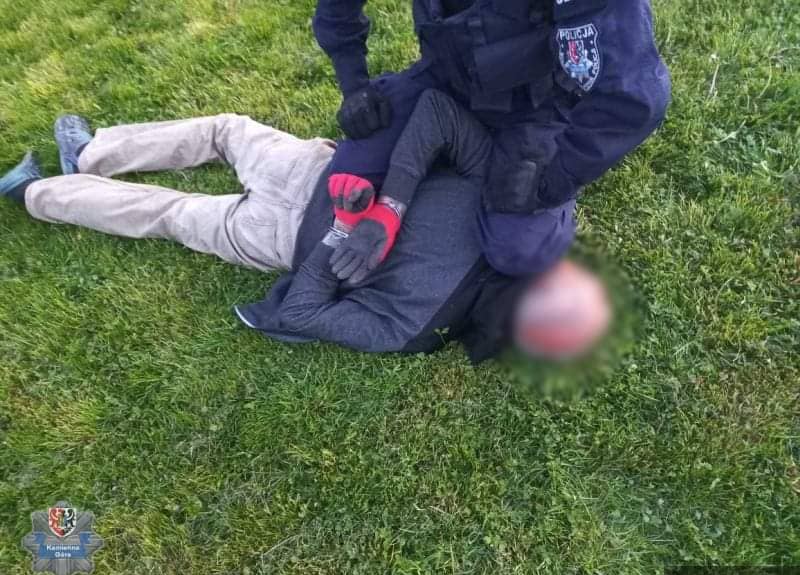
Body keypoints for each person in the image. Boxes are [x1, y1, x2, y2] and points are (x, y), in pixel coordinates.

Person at [0, 92, 607, 361]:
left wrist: (352, 223)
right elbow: (439, 114)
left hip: (292, 208)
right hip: (300, 196)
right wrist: (381, 213)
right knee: (180, 202)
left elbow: (301, 313)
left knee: (208, 158)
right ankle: (44, 187)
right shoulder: (418, 327)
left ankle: (75, 164)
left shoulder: (498, 218)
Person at [313, 0, 672, 276]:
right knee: (349, 172)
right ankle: (449, 136)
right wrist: (354, 85)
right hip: (445, 79)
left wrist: (555, 178)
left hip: (537, 106)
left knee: (519, 250)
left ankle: (457, 148)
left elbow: (635, 96)